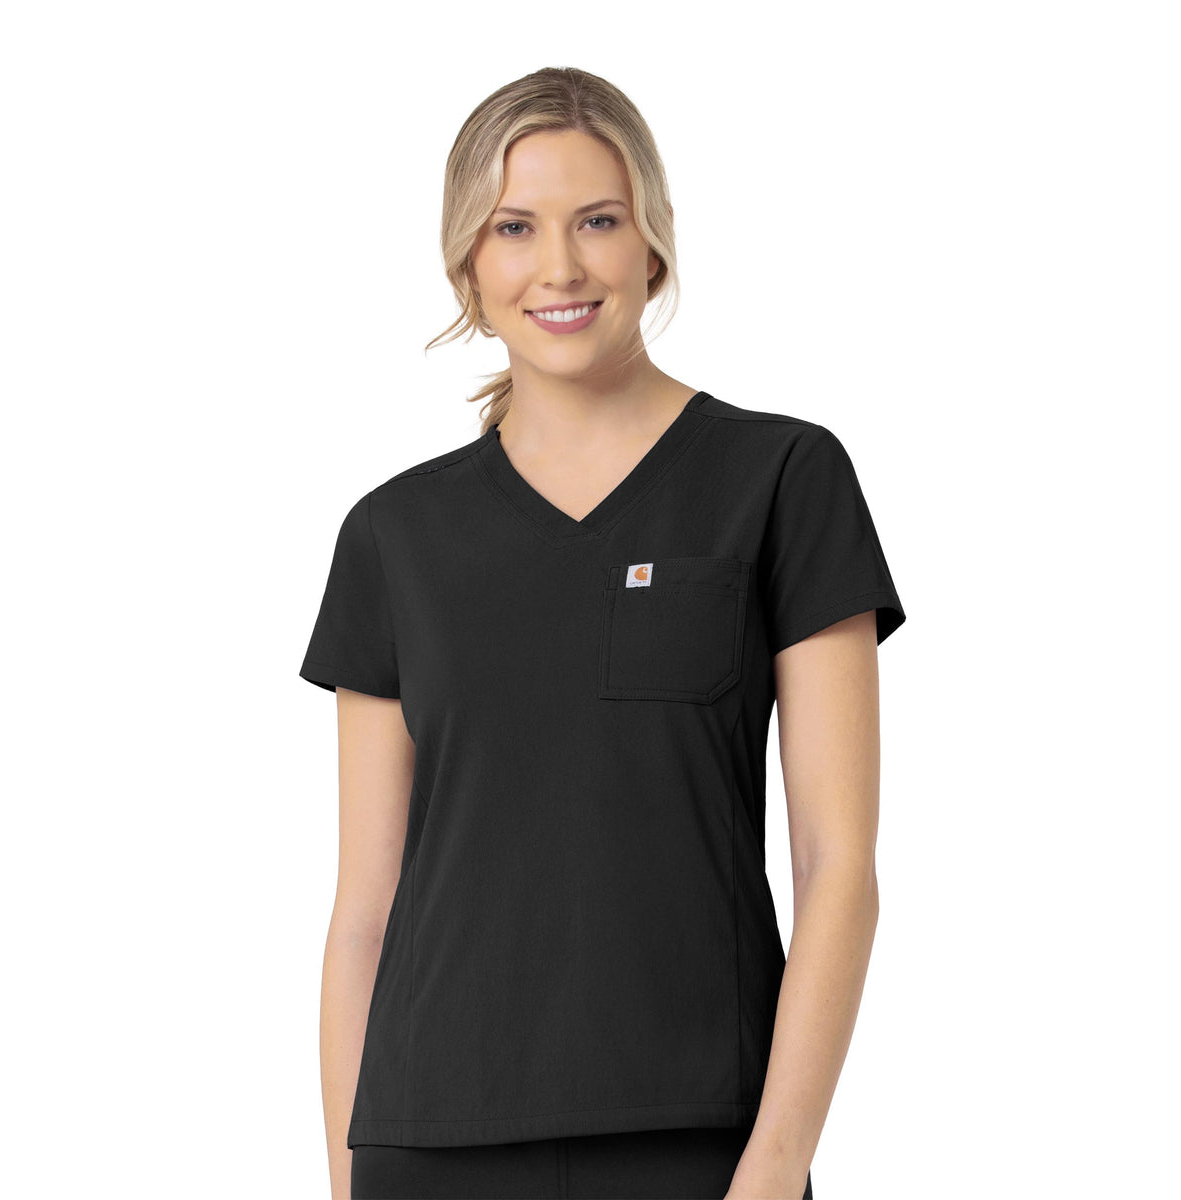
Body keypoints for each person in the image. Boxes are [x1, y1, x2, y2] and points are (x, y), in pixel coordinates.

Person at [300, 65, 905, 1200]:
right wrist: (344, 1182)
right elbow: (364, 915)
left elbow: (838, 868)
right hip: (430, 1143)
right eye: (514, 227)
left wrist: (775, 1167)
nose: (561, 267)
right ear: (468, 263)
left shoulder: (781, 478)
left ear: (652, 243)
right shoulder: (393, 536)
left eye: (598, 221)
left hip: (700, 1136)